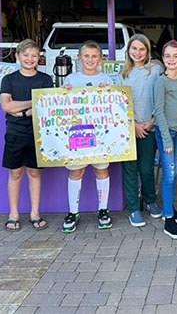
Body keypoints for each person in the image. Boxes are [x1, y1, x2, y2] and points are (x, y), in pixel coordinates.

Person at [0, 39, 53, 231]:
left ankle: (34, 213)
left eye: (34, 55)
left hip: (38, 133)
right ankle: (13, 213)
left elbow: (46, 107)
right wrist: (33, 102)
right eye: (26, 55)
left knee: (34, 172)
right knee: (15, 173)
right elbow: (6, 106)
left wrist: (20, 109)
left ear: (38, 58)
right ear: (17, 56)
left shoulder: (45, 79)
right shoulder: (9, 80)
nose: (30, 59)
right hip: (15, 133)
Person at [61, 40, 114, 233]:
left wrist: (108, 91)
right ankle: (73, 211)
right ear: (79, 58)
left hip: (100, 135)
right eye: (86, 56)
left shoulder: (107, 79)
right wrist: (63, 95)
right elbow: (62, 108)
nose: (90, 60)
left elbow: (114, 106)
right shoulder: (71, 80)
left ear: (100, 59)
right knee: (76, 172)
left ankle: (103, 209)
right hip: (78, 135)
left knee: (101, 170)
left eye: (94, 56)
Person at [118, 34, 162, 227]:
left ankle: (150, 200)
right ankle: (134, 208)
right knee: (130, 169)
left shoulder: (156, 70)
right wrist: (132, 124)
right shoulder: (122, 74)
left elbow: (162, 97)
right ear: (128, 51)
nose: (138, 53)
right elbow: (119, 103)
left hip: (150, 127)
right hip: (129, 129)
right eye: (134, 49)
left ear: (148, 51)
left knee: (146, 169)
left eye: (142, 49)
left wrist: (153, 121)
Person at [154, 40, 177, 239]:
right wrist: (166, 140)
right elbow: (158, 110)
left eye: (176, 56)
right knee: (168, 175)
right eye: (168, 56)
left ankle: (170, 207)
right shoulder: (161, 81)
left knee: (174, 175)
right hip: (166, 134)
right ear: (163, 59)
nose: (172, 60)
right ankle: (168, 219)